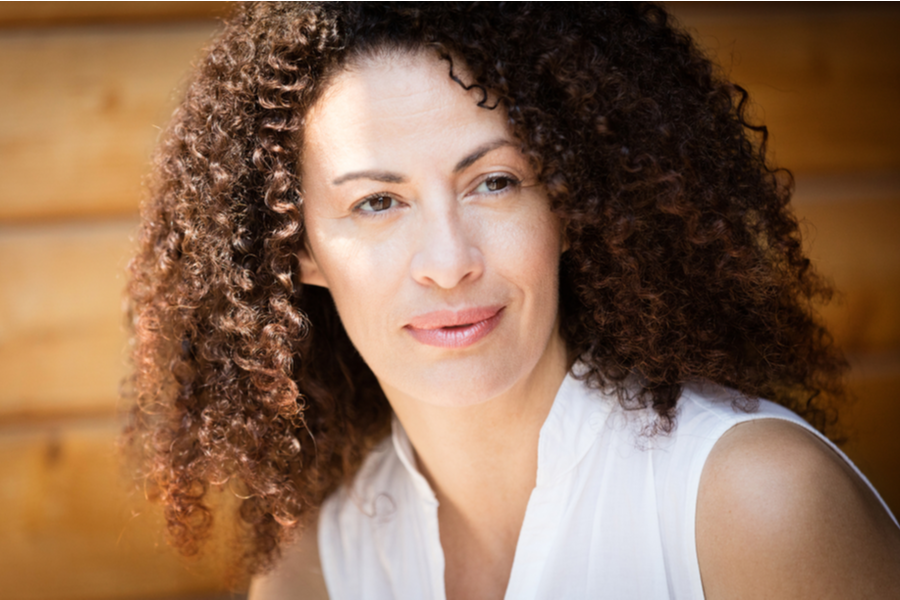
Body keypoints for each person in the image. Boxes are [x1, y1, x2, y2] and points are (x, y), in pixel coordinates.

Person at [123, 3, 900, 598]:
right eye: (377, 203)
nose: (450, 263)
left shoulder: (759, 505)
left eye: (494, 182)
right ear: (296, 250)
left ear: (571, 202)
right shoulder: (312, 573)